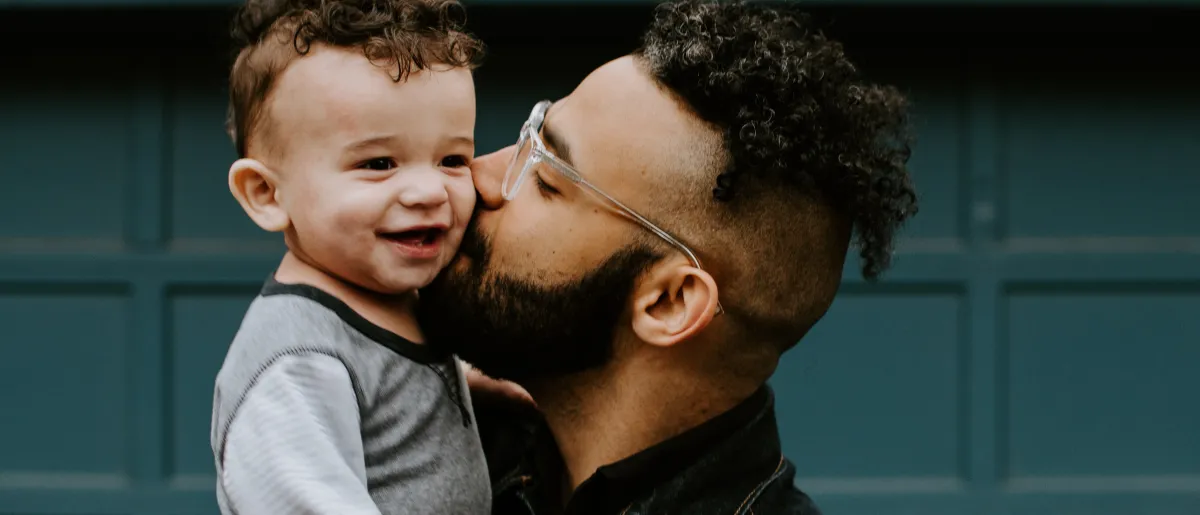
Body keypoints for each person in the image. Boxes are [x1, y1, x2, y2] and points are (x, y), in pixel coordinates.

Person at [418, 0, 920, 513]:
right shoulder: (420, 427)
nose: (478, 175)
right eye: (529, 135)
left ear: (670, 302)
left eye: (546, 179)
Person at [209, 0, 492, 513]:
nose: (429, 190)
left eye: (453, 159)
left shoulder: (395, 299)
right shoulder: (296, 365)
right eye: (379, 163)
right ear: (267, 194)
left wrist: (482, 389)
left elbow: (394, 390)